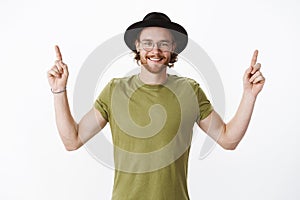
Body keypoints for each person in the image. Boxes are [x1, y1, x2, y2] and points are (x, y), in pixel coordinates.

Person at [47, 12, 265, 200]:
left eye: (163, 43)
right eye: (148, 43)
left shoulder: (190, 91)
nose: (155, 50)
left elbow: (228, 140)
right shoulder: (115, 90)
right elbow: (72, 140)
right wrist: (59, 91)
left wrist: (249, 95)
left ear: (173, 48)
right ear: (137, 46)